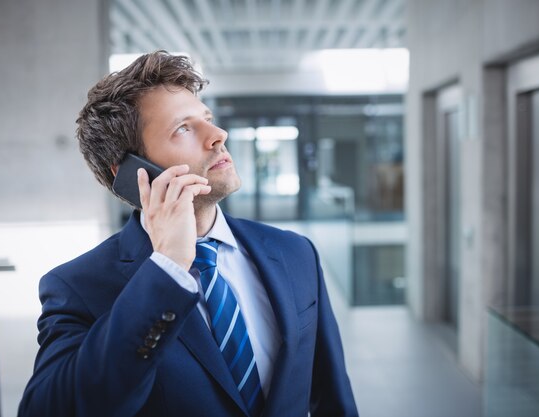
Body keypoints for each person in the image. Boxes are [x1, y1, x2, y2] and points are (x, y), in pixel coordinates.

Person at [18, 51, 358, 417]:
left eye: (207, 119)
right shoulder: (77, 286)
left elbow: (332, 399)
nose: (218, 135)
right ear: (135, 173)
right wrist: (166, 269)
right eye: (183, 128)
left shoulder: (294, 253)